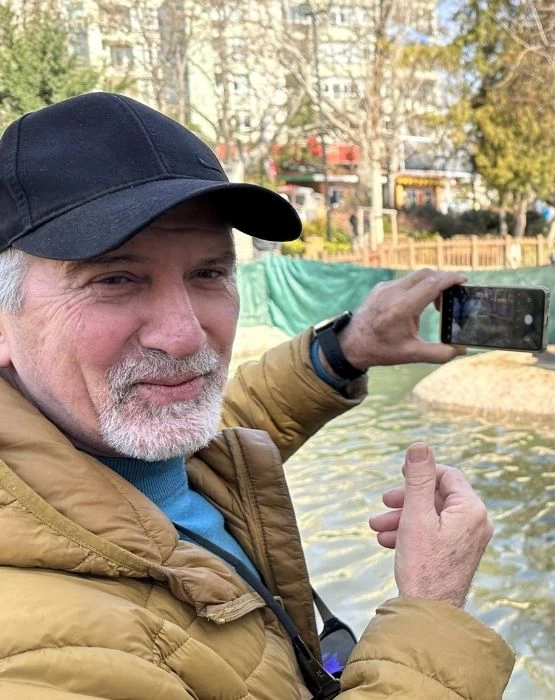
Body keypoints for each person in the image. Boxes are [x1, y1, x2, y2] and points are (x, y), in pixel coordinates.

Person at [0, 93, 514, 698]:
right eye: (115, 279)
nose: (185, 333)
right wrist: (432, 606)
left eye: (209, 273)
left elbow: (216, 442)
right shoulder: (34, 655)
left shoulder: (103, 442)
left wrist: (350, 346)